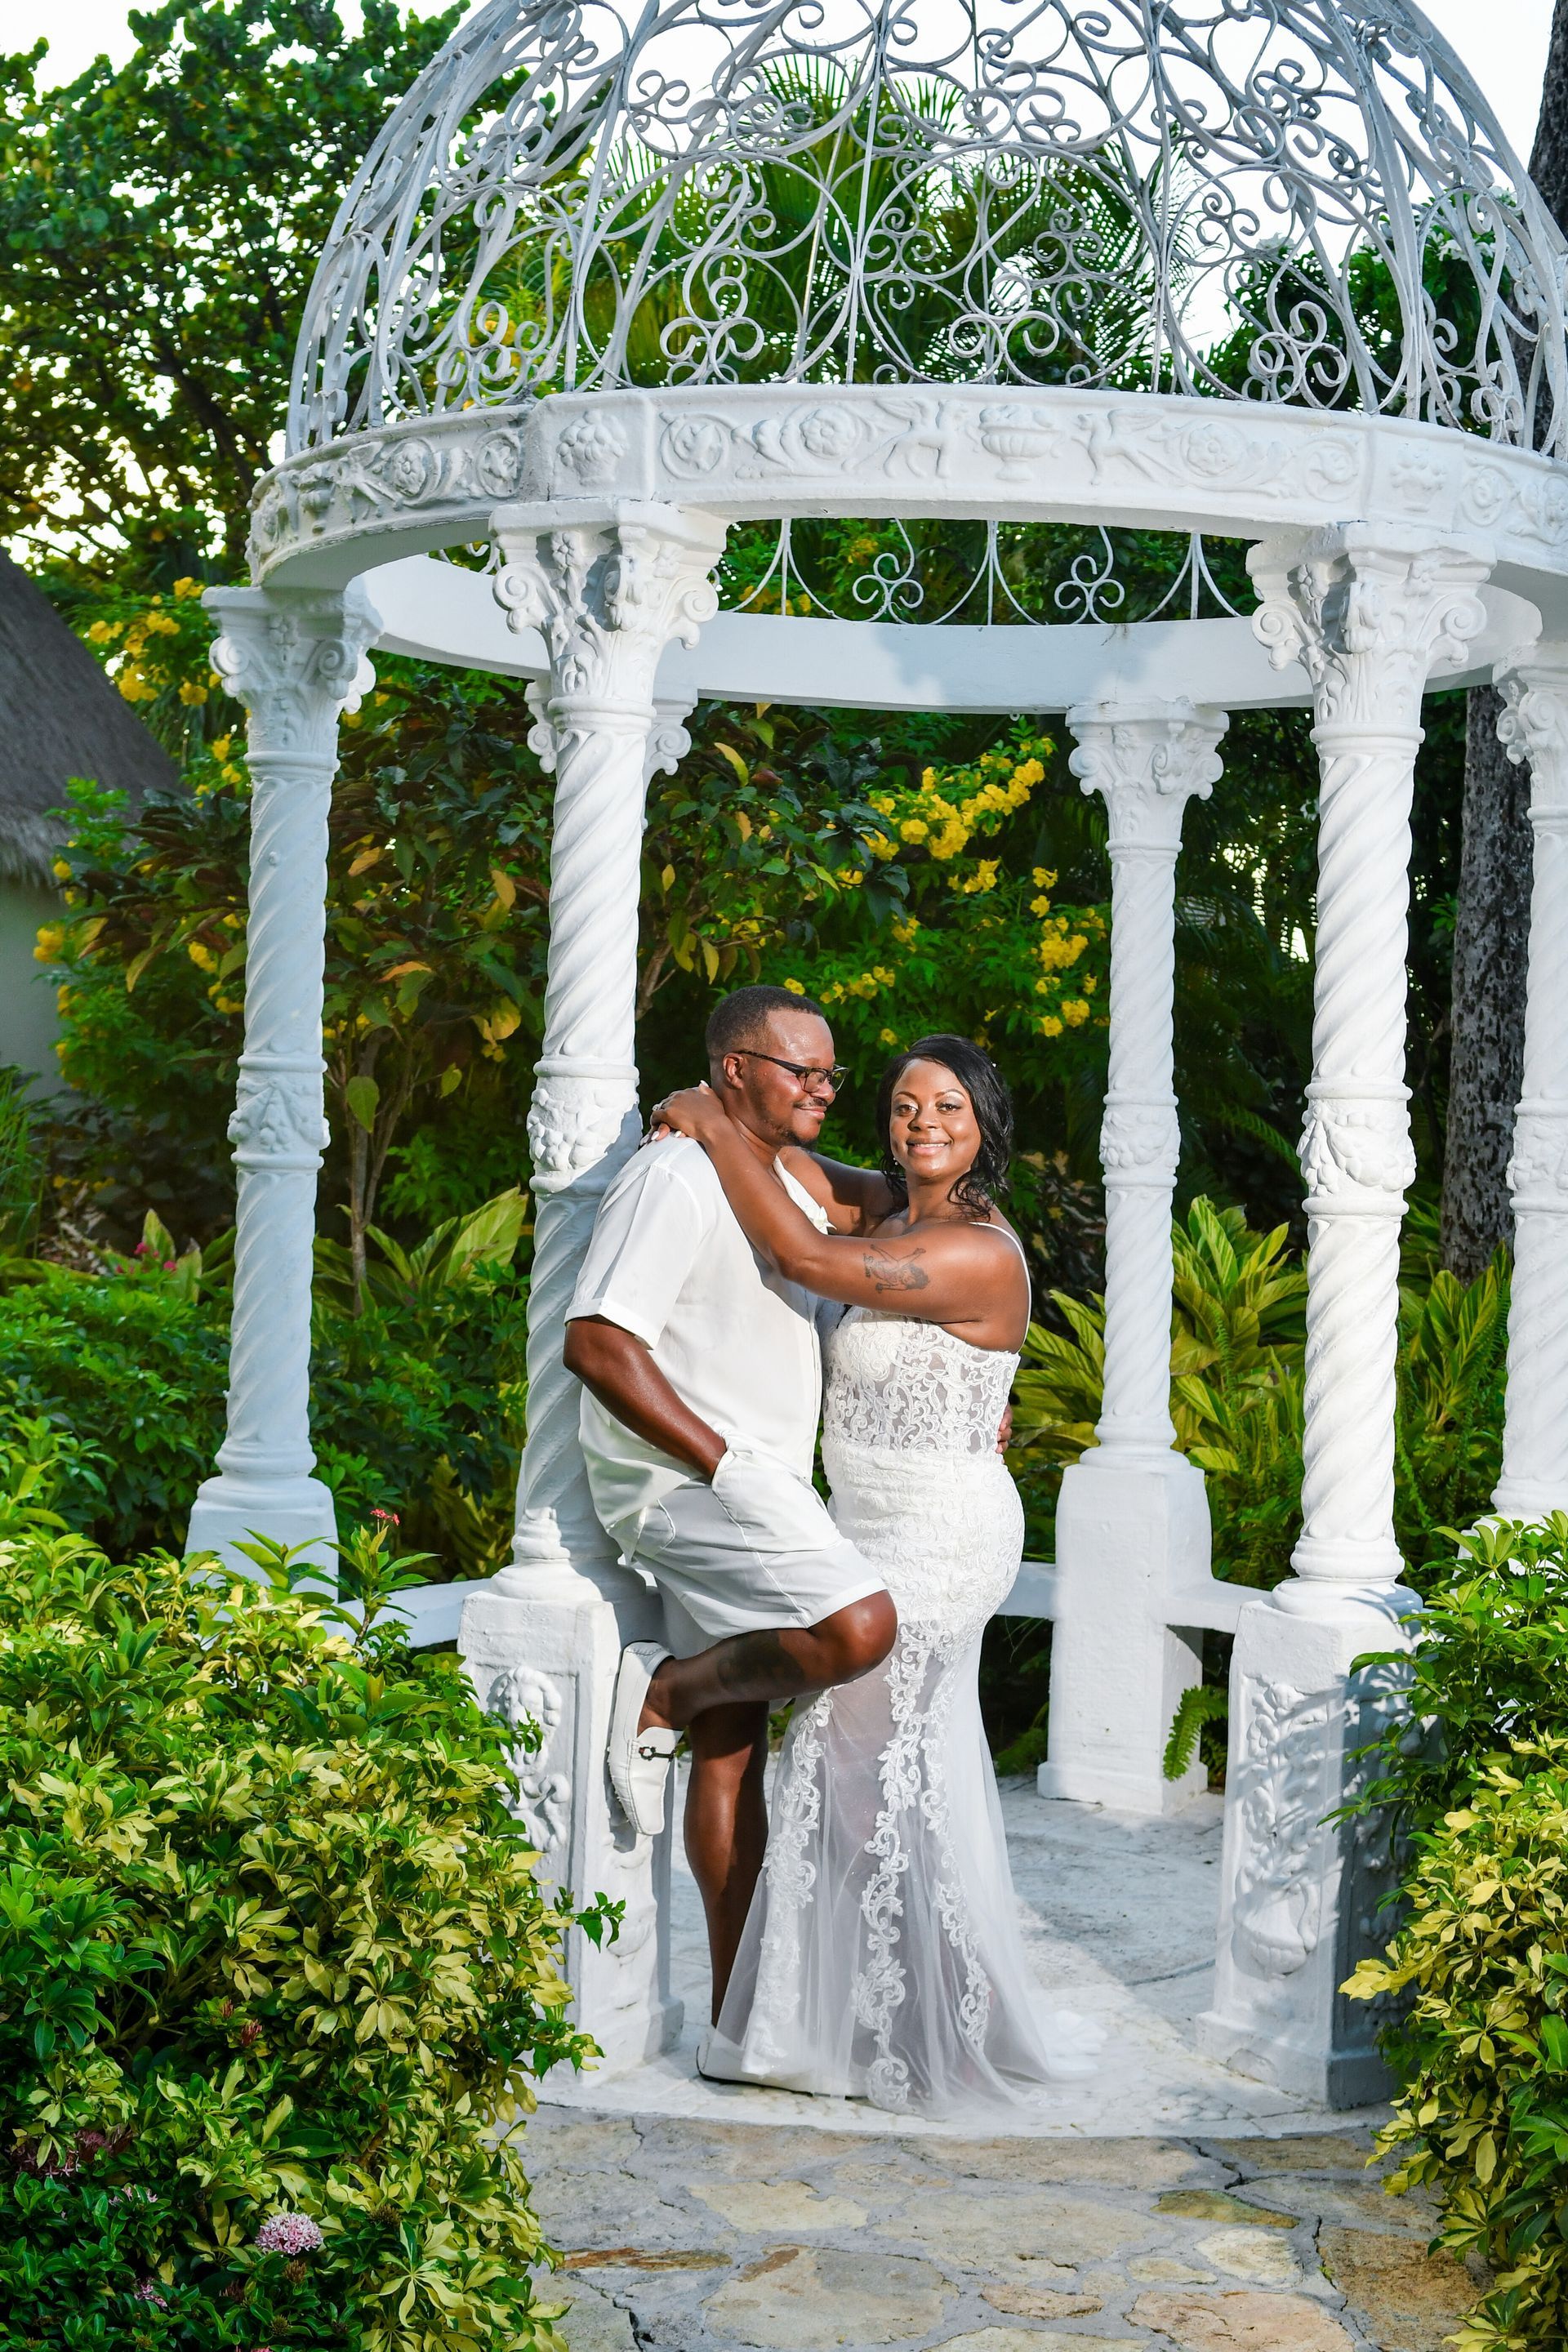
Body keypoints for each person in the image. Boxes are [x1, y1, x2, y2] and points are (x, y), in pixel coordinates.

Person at [652, 1035, 1102, 2117]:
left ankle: (902, 2031)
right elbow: (800, 1176)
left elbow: (804, 1260)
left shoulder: (978, 1251)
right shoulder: (894, 1210)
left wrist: (715, 1124)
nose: (923, 1123)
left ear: (986, 1122)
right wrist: (712, 1107)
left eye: (948, 1106)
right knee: (877, 1781)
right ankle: (918, 2010)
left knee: (857, 1780)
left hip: (941, 1539)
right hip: (869, 1529)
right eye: (904, 1105)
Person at [562, 986, 900, 2020]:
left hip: (756, 1478)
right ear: (738, 1069)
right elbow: (599, 1342)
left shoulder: (775, 1174)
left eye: (832, 1074)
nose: (826, 1091)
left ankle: (732, 2016)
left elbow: (889, 1201)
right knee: (858, 1626)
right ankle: (666, 1687)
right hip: (694, 1484)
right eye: (804, 1071)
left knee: (734, 1740)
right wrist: (717, 1462)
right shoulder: (670, 1176)